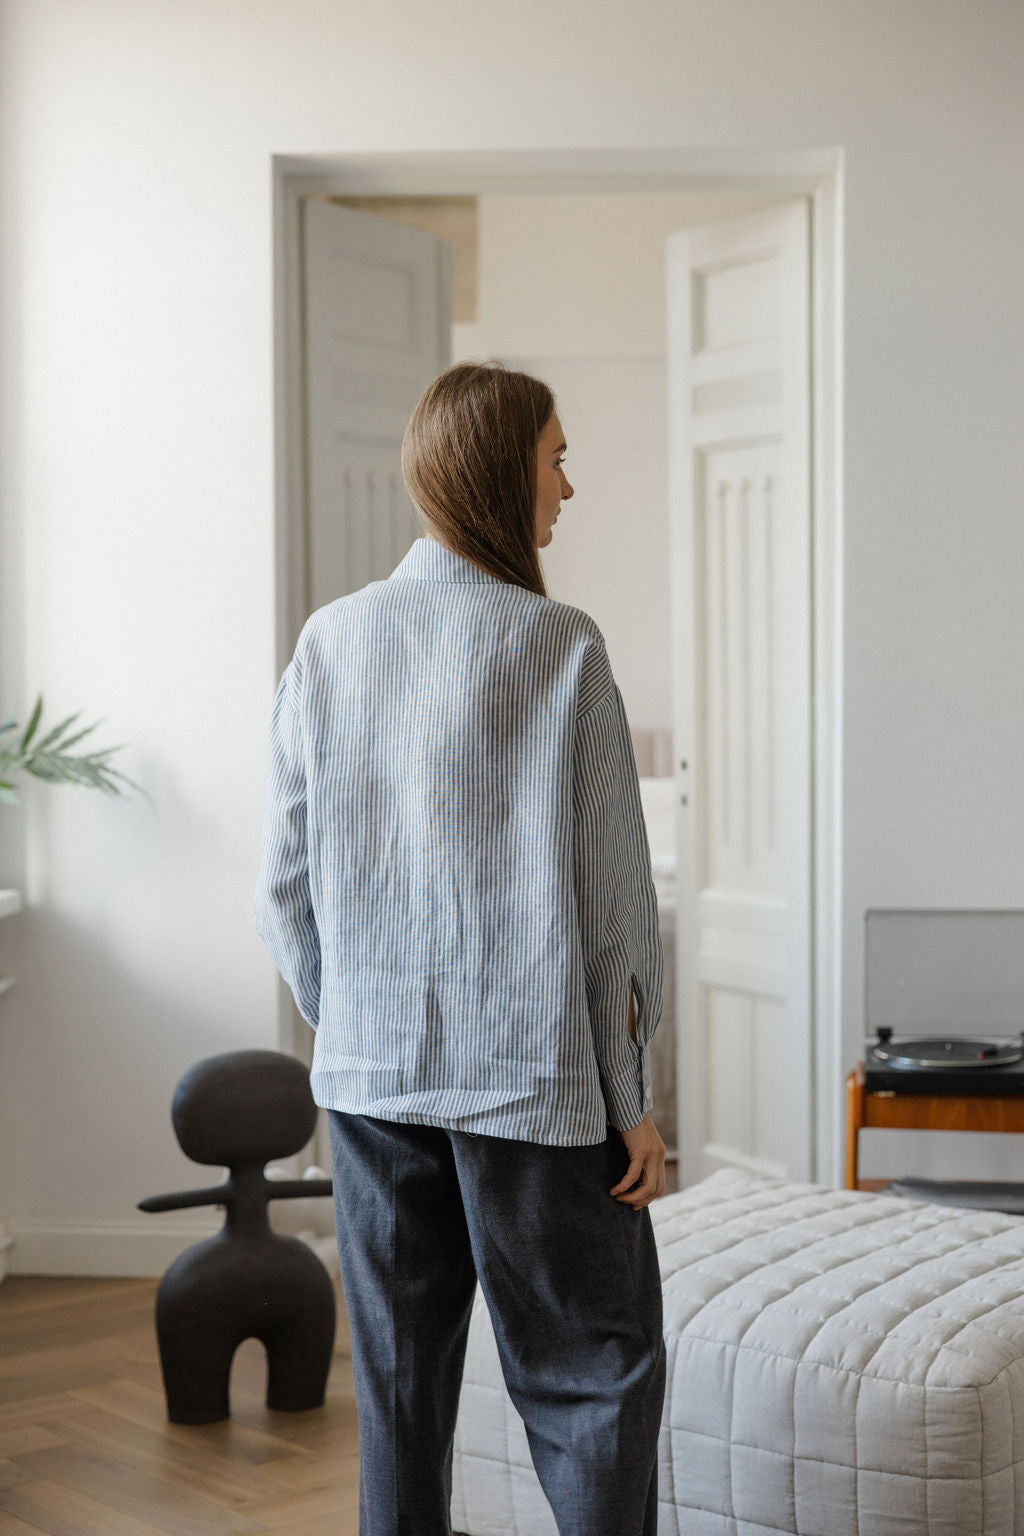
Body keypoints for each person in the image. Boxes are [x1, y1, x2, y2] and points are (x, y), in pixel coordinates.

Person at [254, 360, 667, 1536]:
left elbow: (282, 889)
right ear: (498, 473)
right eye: (554, 460)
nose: (567, 488)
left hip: (371, 1091)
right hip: (537, 1093)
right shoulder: (561, 646)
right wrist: (630, 1098)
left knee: (397, 1392)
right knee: (594, 1379)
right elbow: (613, 911)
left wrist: (356, 1027)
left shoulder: (329, 643)